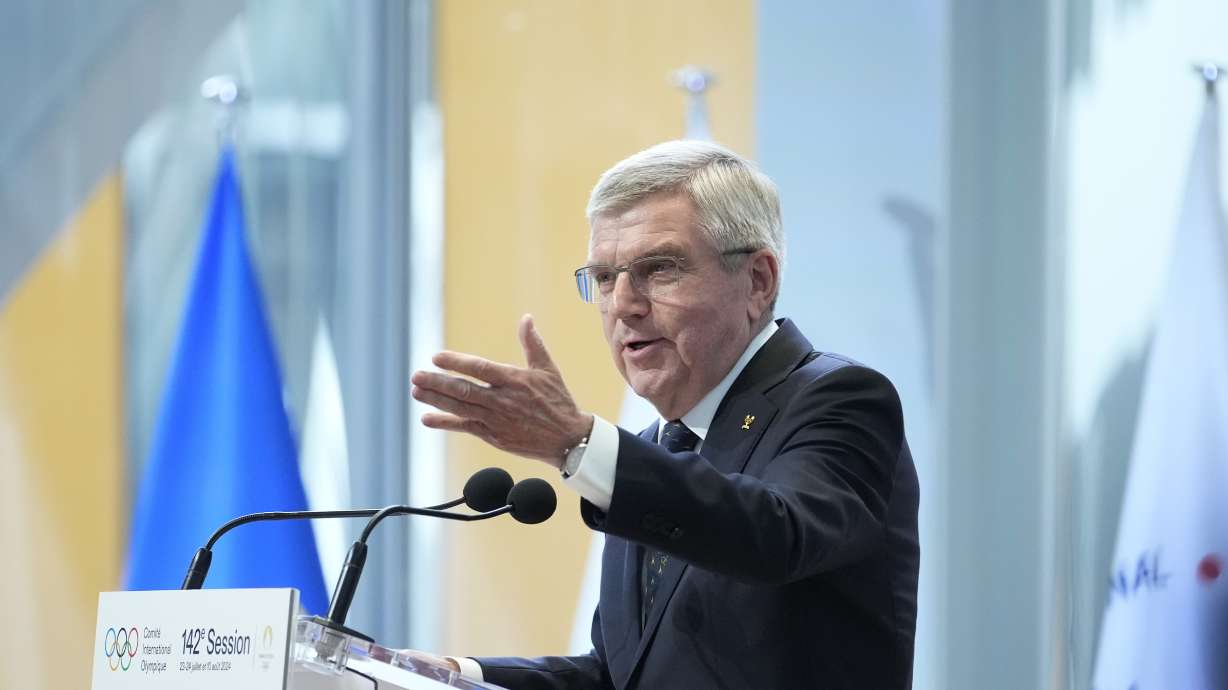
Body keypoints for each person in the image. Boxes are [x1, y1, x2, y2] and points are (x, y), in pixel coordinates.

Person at [409, 140, 919, 689]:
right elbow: (619, 677)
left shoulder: (841, 399)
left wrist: (579, 444)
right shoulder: (649, 451)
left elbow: (776, 536)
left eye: (659, 269)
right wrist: (454, 677)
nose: (623, 304)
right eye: (605, 278)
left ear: (758, 280)